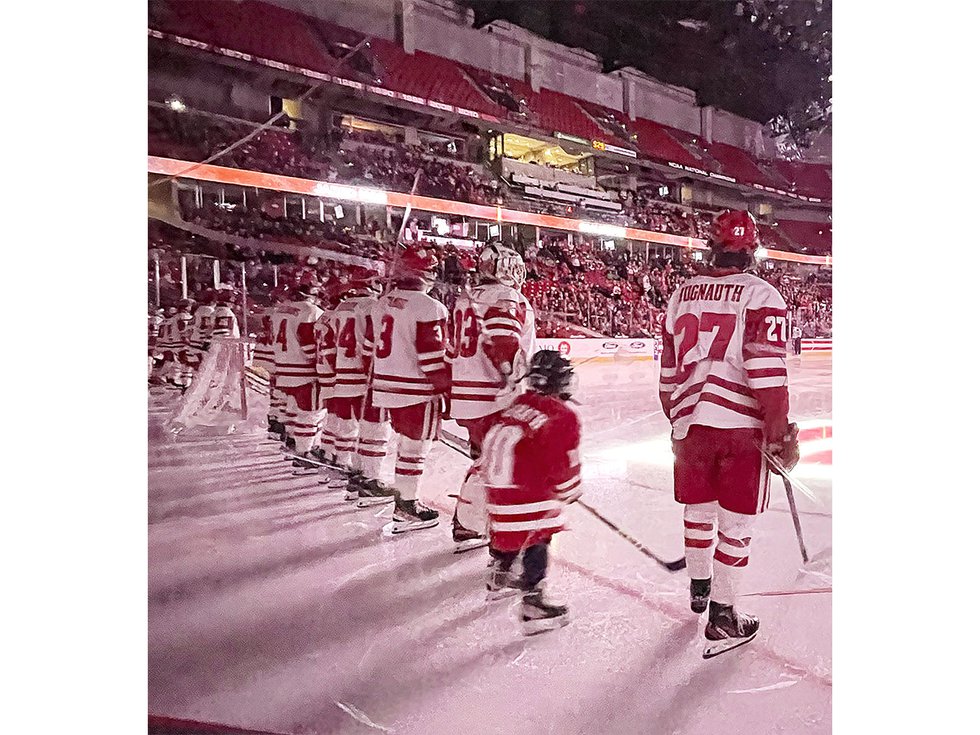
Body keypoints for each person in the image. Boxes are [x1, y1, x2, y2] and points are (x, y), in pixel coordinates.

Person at [658, 210, 800, 659]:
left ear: (710, 246)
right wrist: (777, 433)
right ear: (752, 249)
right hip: (741, 430)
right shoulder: (763, 295)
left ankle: (700, 590)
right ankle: (722, 616)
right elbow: (766, 374)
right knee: (736, 526)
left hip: (691, 425)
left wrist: (678, 419)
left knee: (697, 512)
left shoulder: (682, 295)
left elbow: (667, 372)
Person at [481, 350, 581, 635]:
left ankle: (499, 573)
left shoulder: (518, 403)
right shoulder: (562, 415)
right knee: (541, 532)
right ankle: (533, 603)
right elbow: (563, 465)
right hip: (521, 497)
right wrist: (569, 490)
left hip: (495, 495)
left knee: (517, 527)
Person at [449, 241, 536, 552]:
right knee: (501, 462)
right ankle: (487, 527)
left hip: (467, 392)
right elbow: (502, 341)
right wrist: (516, 385)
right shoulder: (506, 295)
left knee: (486, 458)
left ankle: (471, 523)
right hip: (491, 394)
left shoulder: (467, 298)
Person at [367, 246, 449, 533]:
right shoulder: (429, 307)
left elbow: (370, 345)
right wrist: (448, 390)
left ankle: (405, 501)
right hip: (416, 389)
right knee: (415, 449)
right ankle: (406, 506)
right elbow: (432, 358)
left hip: (386, 384)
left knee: (405, 445)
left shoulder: (382, 302)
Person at [271, 273, 323, 460]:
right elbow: (309, 340)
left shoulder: (279, 311)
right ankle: (303, 453)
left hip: (284, 367)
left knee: (292, 408)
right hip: (304, 369)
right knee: (310, 412)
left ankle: (292, 441)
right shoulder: (312, 311)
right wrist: (319, 362)